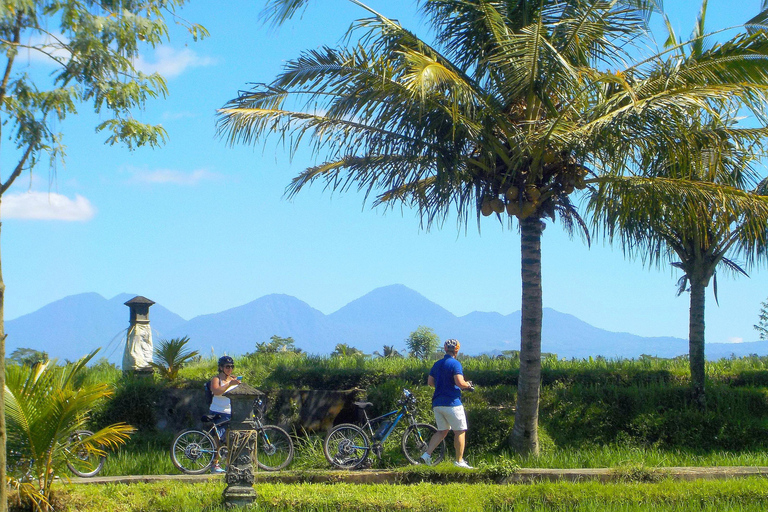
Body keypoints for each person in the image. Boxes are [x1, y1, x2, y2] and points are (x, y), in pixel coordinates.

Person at [420, 338, 475, 469]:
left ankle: (426, 455)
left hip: (437, 404)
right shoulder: (455, 364)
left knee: (442, 431)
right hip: (452, 403)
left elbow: (430, 382)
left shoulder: (437, 364)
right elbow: (460, 383)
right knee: (460, 431)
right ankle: (459, 461)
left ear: (445, 349)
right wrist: (468, 385)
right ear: (457, 350)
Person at [209, 355, 240, 473]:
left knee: (230, 439)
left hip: (230, 412)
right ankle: (214, 464)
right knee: (217, 439)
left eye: (232, 367)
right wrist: (229, 384)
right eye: (227, 367)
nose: (230, 369)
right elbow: (216, 391)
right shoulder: (216, 379)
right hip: (218, 412)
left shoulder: (232, 379)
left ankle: (229, 464)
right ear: (221, 367)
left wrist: (237, 384)